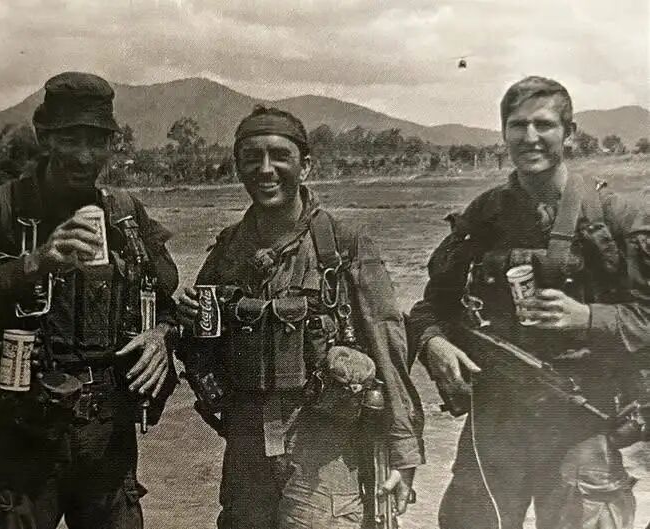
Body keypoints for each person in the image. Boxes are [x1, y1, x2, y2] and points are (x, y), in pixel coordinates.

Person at [0, 71, 179, 529]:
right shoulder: (0, 210)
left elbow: (164, 295)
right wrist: (33, 264)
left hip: (107, 440)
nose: (84, 156)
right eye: (70, 139)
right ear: (44, 137)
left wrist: (161, 335)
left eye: (97, 141)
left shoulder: (124, 214)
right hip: (21, 436)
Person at [409, 76, 650, 529]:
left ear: (569, 133)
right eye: (518, 125)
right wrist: (433, 343)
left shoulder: (614, 217)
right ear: (504, 133)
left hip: (581, 419)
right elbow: (431, 308)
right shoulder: (484, 216)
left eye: (544, 125)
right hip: (496, 420)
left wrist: (588, 317)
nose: (530, 137)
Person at [176, 106, 424, 529]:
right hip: (248, 445)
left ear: (305, 166)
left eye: (279, 156)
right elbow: (203, 343)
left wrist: (404, 447)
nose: (265, 169)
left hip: (327, 445)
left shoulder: (344, 246)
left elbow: (388, 347)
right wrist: (188, 320)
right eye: (251, 158)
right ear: (238, 168)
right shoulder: (227, 251)